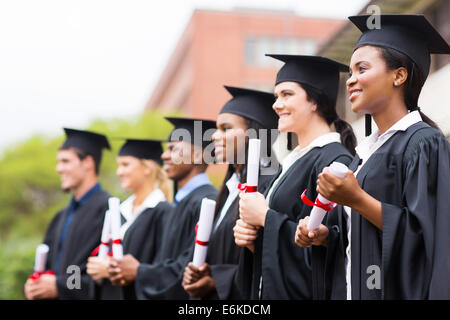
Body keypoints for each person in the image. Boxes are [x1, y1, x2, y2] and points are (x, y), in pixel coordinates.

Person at [296, 14, 450, 299]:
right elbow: (361, 237)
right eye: (350, 72)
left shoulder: (424, 144)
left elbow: (430, 241)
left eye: (362, 69)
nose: (351, 80)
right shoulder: (365, 153)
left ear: (399, 75)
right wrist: (326, 236)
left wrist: (357, 199)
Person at [235, 55, 356, 300]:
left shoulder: (334, 162)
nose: (276, 105)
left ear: (315, 101)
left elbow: (330, 248)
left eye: (286, 95)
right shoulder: (294, 161)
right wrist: (253, 240)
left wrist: (265, 217)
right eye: (276, 96)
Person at [182, 86, 279, 299]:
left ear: (254, 135)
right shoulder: (228, 190)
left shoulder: (269, 187)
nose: (215, 136)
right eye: (217, 128)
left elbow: (272, 261)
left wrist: (216, 279)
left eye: (225, 128)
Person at [133, 117, 218, 299]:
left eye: (173, 149)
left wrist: (139, 271)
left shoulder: (206, 202)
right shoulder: (180, 202)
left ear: (198, 155)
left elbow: (188, 268)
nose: (164, 156)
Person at [24, 128, 111, 300]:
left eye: (65, 161)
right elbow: (47, 266)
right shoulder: (61, 216)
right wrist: (35, 285)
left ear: (88, 163)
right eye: (59, 162)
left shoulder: (109, 210)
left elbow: (103, 277)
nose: (58, 169)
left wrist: (60, 286)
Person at [93, 139, 172, 300]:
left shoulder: (163, 212)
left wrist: (111, 269)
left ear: (147, 168)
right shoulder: (119, 211)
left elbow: (161, 269)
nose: (119, 172)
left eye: (125, 164)